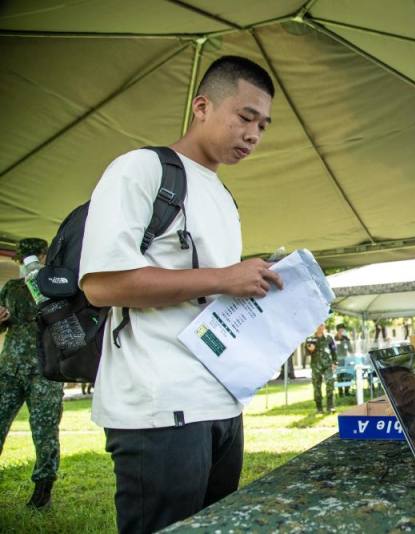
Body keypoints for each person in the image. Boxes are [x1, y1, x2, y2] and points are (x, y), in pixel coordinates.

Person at [80, 56, 281, 533]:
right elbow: (102, 285)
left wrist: (257, 287)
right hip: (158, 404)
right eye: (245, 117)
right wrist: (223, 277)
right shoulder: (142, 169)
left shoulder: (225, 198)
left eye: (264, 125)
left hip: (222, 400)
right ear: (202, 106)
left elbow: (216, 289)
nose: (253, 134)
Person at [0, 238, 64, 509]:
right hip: (10, 369)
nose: (29, 261)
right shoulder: (10, 288)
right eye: (24, 257)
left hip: (45, 371)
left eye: (35, 256)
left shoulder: (56, 283)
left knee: (44, 432)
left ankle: (42, 491)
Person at [307, 324, 337, 414]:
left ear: (324, 326)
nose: (320, 327)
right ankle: (319, 408)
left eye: (322, 325)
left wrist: (335, 362)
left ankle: (330, 406)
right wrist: (310, 349)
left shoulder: (329, 337)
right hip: (316, 366)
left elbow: (333, 350)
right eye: (318, 325)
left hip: (328, 365)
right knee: (317, 386)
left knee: (330, 382)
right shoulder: (310, 338)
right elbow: (307, 352)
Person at [333, 323, 353, 396]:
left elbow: (351, 350)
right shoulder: (333, 339)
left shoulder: (346, 338)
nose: (342, 330)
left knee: (348, 374)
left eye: (343, 329)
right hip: (337, 360)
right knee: (339, 376)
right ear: (338, 330)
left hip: (345, 360)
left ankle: (347, 391)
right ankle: (340, 392)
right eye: (341, 329)